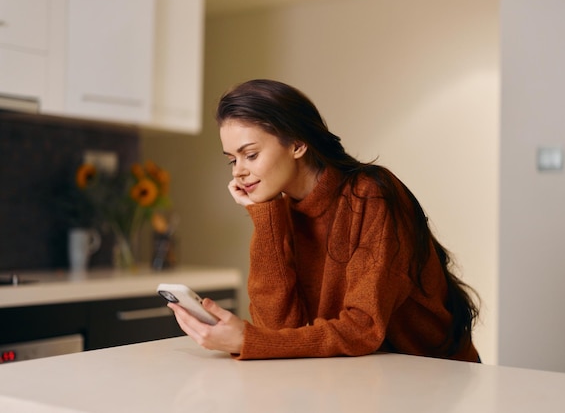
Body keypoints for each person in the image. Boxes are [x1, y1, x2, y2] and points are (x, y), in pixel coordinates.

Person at [168, 79, 481, 362]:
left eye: (250, 155)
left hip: (434, 378)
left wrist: (250, 340)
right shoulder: (283, 210)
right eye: (232, 160)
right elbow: (277, 328)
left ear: (298, 144)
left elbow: (362, 329)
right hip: (365, 378)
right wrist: (264, 216)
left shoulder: (371, 195)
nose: (238, 171)